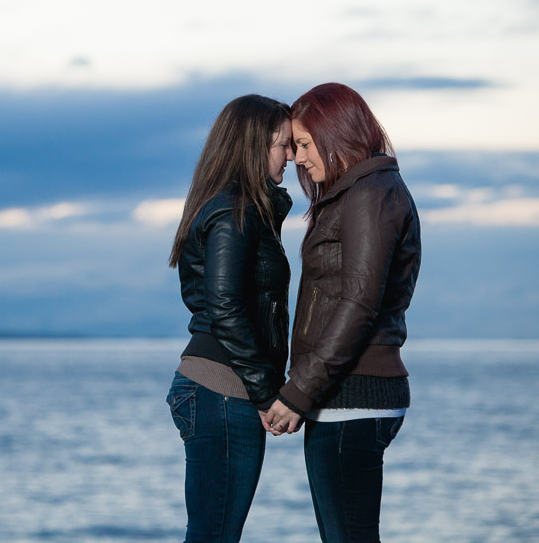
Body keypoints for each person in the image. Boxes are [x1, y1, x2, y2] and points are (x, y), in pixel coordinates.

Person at [265, 82, 422, 542]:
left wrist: (298, 393)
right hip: (345, 397)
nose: (296, 156)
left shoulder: (370, 193)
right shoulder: (361, 191)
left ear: (337, 133)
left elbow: (358, 303)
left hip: (352, 398)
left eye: (305, 143)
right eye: (293, 145)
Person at [166, 94, 294, 542]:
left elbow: (199, 295)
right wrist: (266, 395)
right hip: (223, 391)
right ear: (254, 145)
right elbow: (221, 305)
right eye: (284, 144)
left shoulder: (235, 207)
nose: (292, 156)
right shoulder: (235, 210)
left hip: (219, 387)